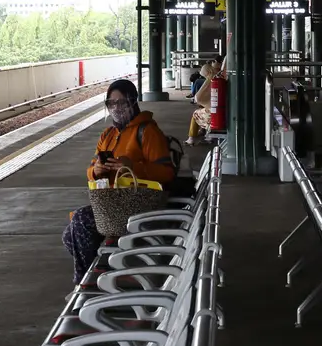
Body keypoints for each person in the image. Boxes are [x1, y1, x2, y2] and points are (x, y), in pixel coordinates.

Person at [62, 79, 177, 284]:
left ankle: (86, 282)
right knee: (70, 235)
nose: (116, 108)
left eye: (122, 102)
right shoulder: (107, 135)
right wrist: (95, 171)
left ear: (133, 101)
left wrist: (133, 167)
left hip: (140, 203)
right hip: (114, 203)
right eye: (111, 103)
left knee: (80, 221)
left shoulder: (148, 131)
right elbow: (90, 170)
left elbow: (167, 173)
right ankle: (101, 275)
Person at [187, 61, 221, 144]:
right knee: (203, 110)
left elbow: (198, 98)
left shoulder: (211, 81)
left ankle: (191, 138)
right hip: (222, 110)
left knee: (196, 114)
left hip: (216, 114)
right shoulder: (220, 78)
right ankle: (205, 133)